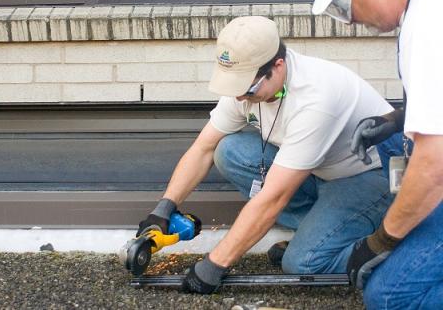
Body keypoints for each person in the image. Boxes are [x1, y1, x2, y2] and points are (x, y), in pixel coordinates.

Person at [136, 15, 395, 294]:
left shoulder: (316, 99)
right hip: (318, 172)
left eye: (246, 88)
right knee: (230, 151)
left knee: (303, 264)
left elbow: (274, 198)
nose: (239, 97)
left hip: (368, 178)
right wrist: (164, 208)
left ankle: (396, 251)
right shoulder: (249, 84)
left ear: (278, 66)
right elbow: (204, 148)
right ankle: (323, 233)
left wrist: (214, 265)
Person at [306, 0, 443, 308]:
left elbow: (435, 164)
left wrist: (381, 241)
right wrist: (398, 120)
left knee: (389, 297)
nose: (348, 21)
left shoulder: (429, 18)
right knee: (389, 145)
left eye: (341, 6)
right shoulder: (428, 3)